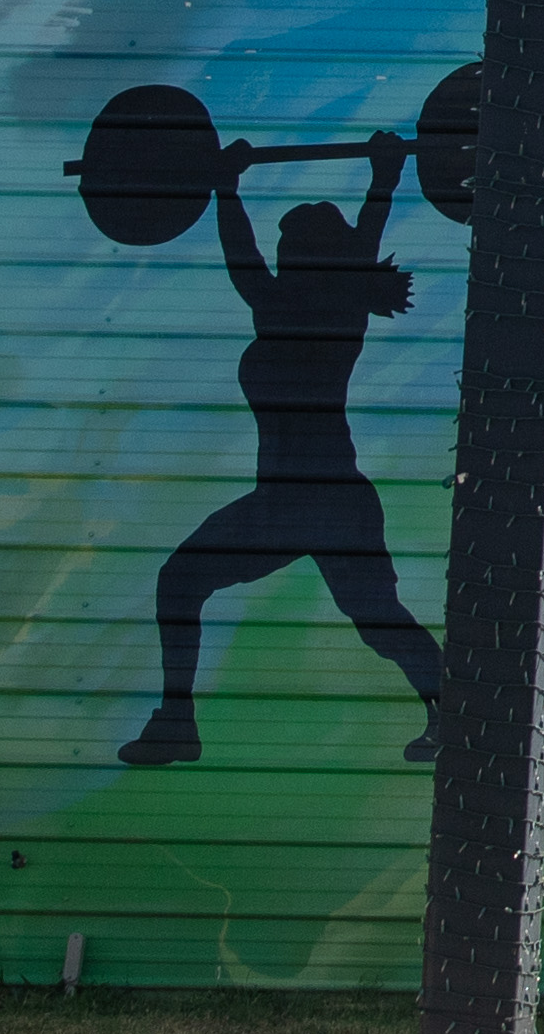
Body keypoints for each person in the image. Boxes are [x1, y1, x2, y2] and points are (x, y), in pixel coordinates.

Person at [118, 129, 448, 766]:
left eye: (288, 244)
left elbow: (253, 254)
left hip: (308, 500)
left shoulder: (300, 311)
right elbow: (280, 249)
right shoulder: (310, 309)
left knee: (189, 583)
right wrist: (379, 175)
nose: (278, 252)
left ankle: (177, 720)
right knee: (372, 616)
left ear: (305, 257)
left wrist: (229, 185)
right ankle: (176, 721)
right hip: (309, 500)